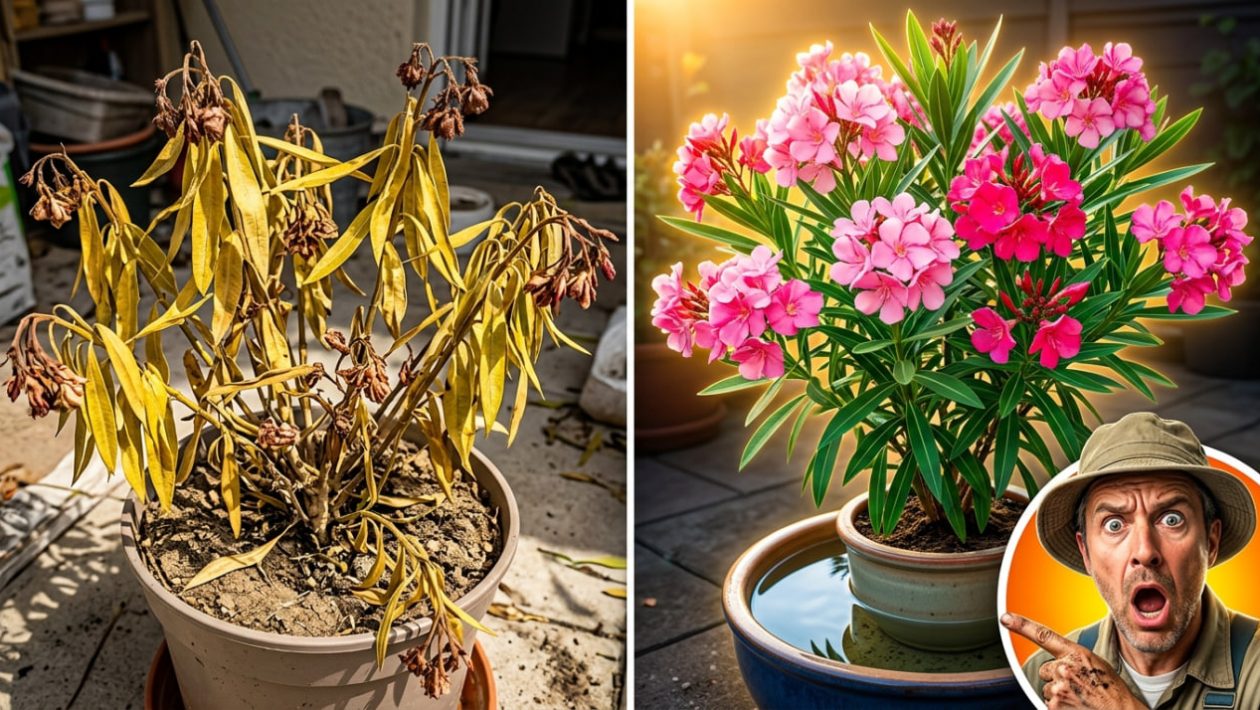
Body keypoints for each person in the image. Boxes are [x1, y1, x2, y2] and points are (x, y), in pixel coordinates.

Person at [1003, 412, 1260, 709]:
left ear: (1210, 542)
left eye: (1171, 519)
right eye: (1114, 524)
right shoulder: (1048, 677)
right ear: (1085, 551)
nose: (1144, 551)